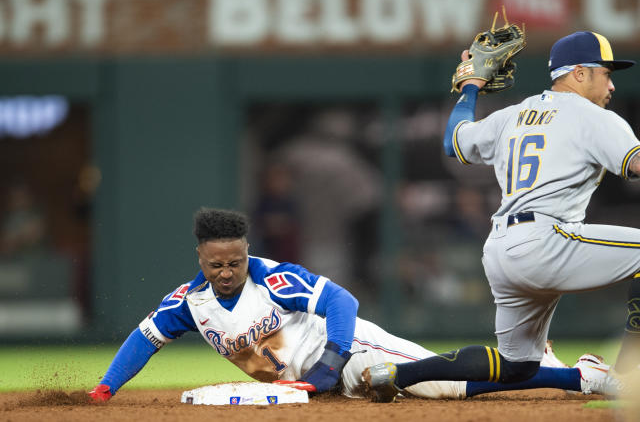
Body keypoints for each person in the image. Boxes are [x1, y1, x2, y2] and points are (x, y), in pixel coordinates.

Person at [363, 31, 640, 402]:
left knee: (516, 366)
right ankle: (624, 377)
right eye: (605, 73)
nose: (611, 84)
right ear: (578, 73)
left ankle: (394, 374)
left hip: (501, 250)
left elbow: (455, 142)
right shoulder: (595, 118)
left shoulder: (513, 115)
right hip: (548, 242)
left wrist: (471, 88)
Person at [89, 207, 609, 403]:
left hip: (350, 347)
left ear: (245, 253)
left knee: (441, 387)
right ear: (200, 259)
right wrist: (107, 386)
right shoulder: (190, 302)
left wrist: (333, 357)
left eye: (235, 261)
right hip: (317, 383)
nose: (226, 272)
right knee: (418, 391)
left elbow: (342, 299)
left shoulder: (273, 277)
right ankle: (547, 364)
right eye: (215, 264)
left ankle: (574, 377)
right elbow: (145, 338)